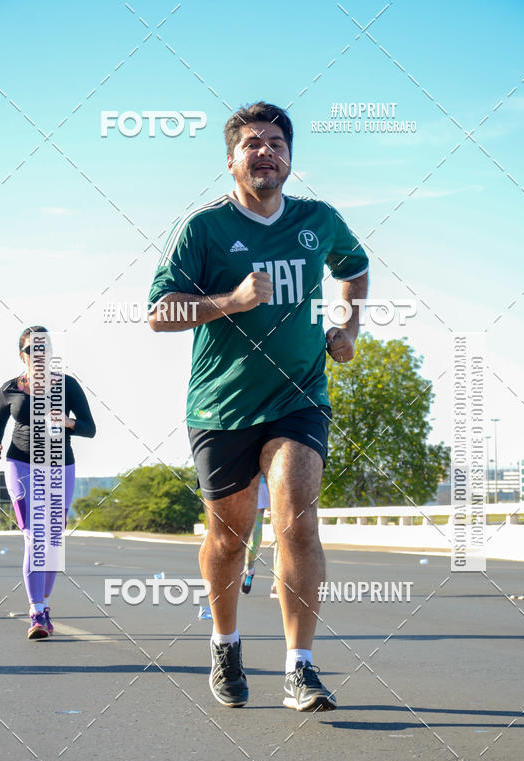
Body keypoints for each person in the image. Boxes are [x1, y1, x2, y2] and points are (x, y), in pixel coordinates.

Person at [148, 101, 368, 711]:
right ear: (231, 160)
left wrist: (349, 327)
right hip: (221, 405)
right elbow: (160, 314)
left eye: (276, 142)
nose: (266, 150)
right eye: (253, 143)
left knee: (297, 516)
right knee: (229, 537)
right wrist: (232, 301)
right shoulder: (203, 229)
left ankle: (301, 667)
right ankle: (225, 642)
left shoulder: (318, 220)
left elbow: (354, 268)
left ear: (290, 158)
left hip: (299, 397)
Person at [0, 326, 96, 640]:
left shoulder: (67, 386)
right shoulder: (10, 388)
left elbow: (90, 428)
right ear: (21, 355)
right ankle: (35, 612)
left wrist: (66, 421)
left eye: (44, 350)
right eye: (32, 352)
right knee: (34, 537)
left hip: (60, 466)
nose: (39, 357)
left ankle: (45, 606)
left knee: (51, 542)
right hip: (20, 463)